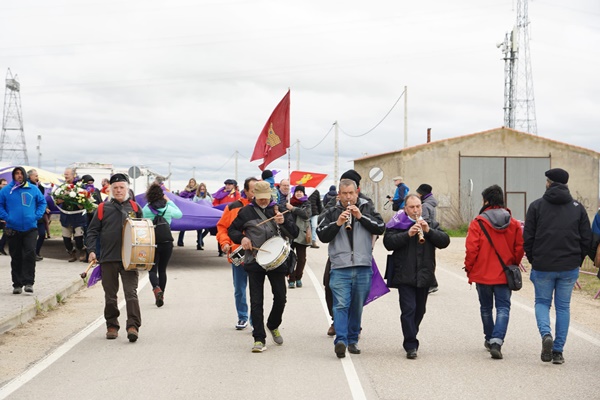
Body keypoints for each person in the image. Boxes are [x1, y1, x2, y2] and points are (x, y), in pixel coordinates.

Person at [523, 168, 592, 365]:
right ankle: (558, 351)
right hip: (569, 266)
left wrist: (533, 259)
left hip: (543, 264)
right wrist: (577, 260)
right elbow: (586, 238)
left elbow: (528, 237)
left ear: (550, 182)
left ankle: (546, 334)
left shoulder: (536, 206)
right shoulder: (578, 208)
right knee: (563, 307)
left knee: (542, 303)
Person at [317, 178, 385, 358]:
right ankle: (341, 340)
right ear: (339, 194)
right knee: (340, 304)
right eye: (344, 194)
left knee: (357, 306)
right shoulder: (331, 211)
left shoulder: (367, 208)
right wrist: (338, 222)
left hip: (363, 265)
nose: (348, 197)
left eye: (351, 193)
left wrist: (360, 217)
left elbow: (380, 228)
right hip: (340, 266)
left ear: (357, 192)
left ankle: (353, 339)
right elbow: (322, 235)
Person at [228, 181, 299, 353]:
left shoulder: (279, 209)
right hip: (254, 260)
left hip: (277, 260)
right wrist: (242, 239)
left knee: (281, 297)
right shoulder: (245, 212)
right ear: (253, 197)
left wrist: (283, 223)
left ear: (270, 195)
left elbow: (295, 233)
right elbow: (232, 230)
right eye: (259, 199)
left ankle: (273, 324)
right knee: (256, 300)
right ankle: (259, 338)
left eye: (265, 198)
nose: (263, 201)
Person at [383, 194, 450, 359]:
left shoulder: (430, 223)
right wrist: (407, 234)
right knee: (408, 310)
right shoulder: (397, 223)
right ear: (405, 209)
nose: (415, 210)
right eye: (412, 207)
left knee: (420, 310)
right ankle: (411, 344)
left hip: (424, 275)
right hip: (404, 275)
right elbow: (388, 243)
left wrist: (428, 231)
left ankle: (411, 332)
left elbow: (445, 241)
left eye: (418, 206)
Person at [464, 185, 524, 360]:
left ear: (486, 201)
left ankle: (489, 338)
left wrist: (469, 268)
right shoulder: (513, 223)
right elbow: (519, 248)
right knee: (503, 308)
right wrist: (513, 264)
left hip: (482, 273)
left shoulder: (478, 222)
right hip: (504, 274)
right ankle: (497, 341)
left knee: (486, 307)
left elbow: (471, 249)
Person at [86, 173, 144, 342]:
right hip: (108, 258)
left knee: (131, 293)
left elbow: (143, 231)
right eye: (115, 188)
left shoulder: (134, 207)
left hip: (129, 259)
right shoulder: (103, 208)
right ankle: (112, 325)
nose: (118, 190)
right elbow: (92, 231)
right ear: (110, 190)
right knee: (110, 296)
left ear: (127, 189)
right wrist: (91, 250)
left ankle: (133, 326)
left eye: (121, 187)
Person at [216, 177, 258, 330]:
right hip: (238, 254)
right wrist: (225, 243)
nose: (255, 194)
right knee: (239, 288)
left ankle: (255, 320)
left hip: (257, 255)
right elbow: (222, 227)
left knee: (255, 289)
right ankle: (242, 317)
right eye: (253, 190)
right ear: (245, 191)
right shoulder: (233, 207)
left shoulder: (263, 207)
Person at [0, 167, 47, 294]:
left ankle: (29, 282)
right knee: (16, 256)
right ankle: (17, 284)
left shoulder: (33, 189)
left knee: (30, 254)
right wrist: (6, 217)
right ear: (13, 175)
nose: (19, 176)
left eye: (21, 173)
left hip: (30, 228)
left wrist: (36, 216)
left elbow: (42, 203)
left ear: (25, 175)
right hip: (13, 228)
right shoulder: (6, 190)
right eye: (16, 174)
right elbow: (0, 205)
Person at [142, 183, 182, 307]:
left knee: (152, 269)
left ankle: (156, 288)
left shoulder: (146, 209)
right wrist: (169, 201)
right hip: (166, 242)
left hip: (152, 242)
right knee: (162, 270)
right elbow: (179, 214)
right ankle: (162, 295)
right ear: (162, 195)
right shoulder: (168, 208)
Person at [55, 167, 87, 262]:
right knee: (66, 239)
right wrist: (58, 201)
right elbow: (56, 200)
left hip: (78, 217)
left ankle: (82, 251)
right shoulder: (61, 187)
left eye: (67, 174)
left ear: (73, 175)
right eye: (64, 175)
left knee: (78, 239)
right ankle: (71, 253)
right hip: (66, 217)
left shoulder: (80, 187)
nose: (65, 176)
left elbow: (86, 199)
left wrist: (81, 204)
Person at [286, 185, 311, 288]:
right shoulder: (289, 202)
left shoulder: (307, 204)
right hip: (290, 234)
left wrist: (293, 209)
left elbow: (306, 214)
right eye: (297, 191)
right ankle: (291, 279)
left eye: (301, 191)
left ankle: (298, 277)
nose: (299, 193)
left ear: (304, 193)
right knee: (290, 258)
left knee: (302, 259)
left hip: (302, 234)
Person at [416, 183, 440, 294]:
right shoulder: (431, 203)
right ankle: (432, 283)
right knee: (429, 260)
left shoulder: (425, 206)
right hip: (432, 231)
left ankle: (432, 283)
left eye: (418, 193)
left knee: (426, 261)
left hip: (426, 233)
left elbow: (424, 219)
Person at [213, 179, 241, 256]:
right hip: (221, 216)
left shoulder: (236, 194)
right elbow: (215, 204)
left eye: (230, 184)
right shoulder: (220, 194)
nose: (228, 186)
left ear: (234, 186)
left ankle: (231, 248)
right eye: (227, 184)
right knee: (221, 232)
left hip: (232, 217)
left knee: (231, 233)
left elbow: (239, 204)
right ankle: (221, 250)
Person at [27, 169, 51, 261]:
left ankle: (36, 252)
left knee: (42, 234)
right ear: (30, 176)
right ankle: (31, 254)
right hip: (30, 215)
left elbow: (41, 199)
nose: (37, 178)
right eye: (36, 176)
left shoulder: (38, 186)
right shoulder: (27, 186)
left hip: (39, 215)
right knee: (30, 236)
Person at [176, 178, 197, 247]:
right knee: (183, 226)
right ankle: (180, 241)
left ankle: (200, 242)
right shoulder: (184, 192)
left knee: (199, 228)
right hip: (185, 210)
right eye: (190, 182)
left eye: (193, 182)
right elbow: (180, 199)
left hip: (193, 210)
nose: (191, 183)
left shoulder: (196, 192)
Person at [193, 182, 213, 250]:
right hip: (199, 216)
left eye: (203, 189)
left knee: (207, 230)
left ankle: (200, 239)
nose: (202, 190)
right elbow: (193, 205)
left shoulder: (207, 197)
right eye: (201, 189)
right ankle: (199, 244)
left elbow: (210, 206)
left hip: (205, 216)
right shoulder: (196, 197)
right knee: (199, 231)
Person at [0, 178, 8, 255]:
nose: (5, 186)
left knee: (6, 232)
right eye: (3, 184)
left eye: (6, 184)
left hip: (4, 216)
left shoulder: (7, 193)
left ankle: (1, 248)